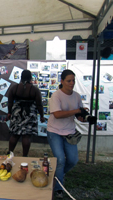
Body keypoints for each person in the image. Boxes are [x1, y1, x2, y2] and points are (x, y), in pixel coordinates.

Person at [47, 69, 85, 199]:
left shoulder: (77, 96)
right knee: (60, 160)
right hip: (54, 131)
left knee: (73, 160)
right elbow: (57, 115)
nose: (72, 83)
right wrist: (76, 111)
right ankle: (58, 189)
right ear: (62, 81)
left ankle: (58, 176)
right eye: (69, 81)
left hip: (69, 132)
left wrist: (82, 116)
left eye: (73, 80)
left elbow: (78, 114)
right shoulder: (56, 96)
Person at [7, 69, 45, 157]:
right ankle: (24, 156)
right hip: (29, 113)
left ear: (21, 77)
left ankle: (9, 153)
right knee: (26, 136)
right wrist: (42, 116)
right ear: (30, 78)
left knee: (15, 134)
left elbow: (10, 102)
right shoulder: (34, 89)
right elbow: (39, 104)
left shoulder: (14, 88)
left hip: (16, 112)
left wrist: (9, 113)